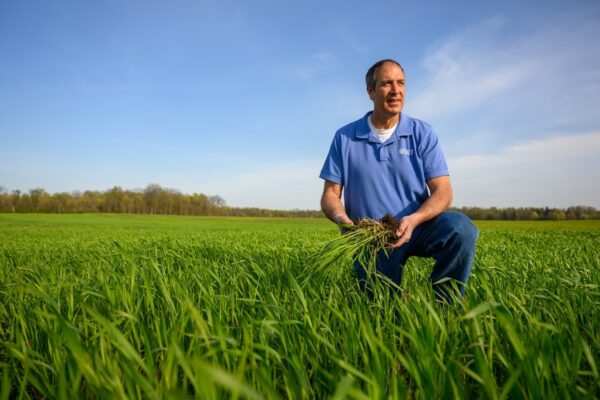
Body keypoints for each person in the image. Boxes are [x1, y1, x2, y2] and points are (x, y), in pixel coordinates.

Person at [319, 59, 478, 302]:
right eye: (386, 84)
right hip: (372, 236)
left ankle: (445, 307)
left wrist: (414, 220)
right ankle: (401, 303)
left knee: (461, 229)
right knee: (381, 309)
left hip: (418, 226)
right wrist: (343, 219)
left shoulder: (422, 133)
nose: (396, 91)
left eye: (400, 83)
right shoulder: (345, 137)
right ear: (371, 91)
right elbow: (330, 194)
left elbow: (443, 191)